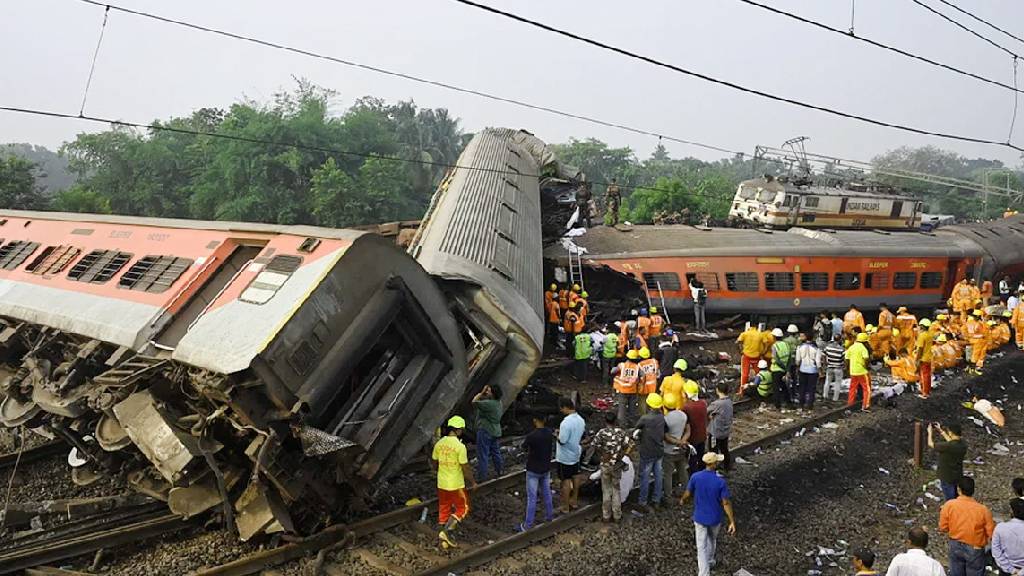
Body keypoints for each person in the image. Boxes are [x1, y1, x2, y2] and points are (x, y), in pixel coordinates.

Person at [680, 452, 737, 576]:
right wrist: (731, 521)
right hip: (715, 517)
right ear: (714, 464)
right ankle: (710, 560)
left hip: (700, 517)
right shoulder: (720, 482)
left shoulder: (695, 477)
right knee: (712, 539)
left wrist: (682, 500)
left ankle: (704, 573)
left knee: (701, 546)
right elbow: (726, 503)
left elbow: (688, 493)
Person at [432, 415, 477, 549]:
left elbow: (434, 462)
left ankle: (442, 536)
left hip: (442, 483)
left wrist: (439, 470)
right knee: (463, 508)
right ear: (458, 431)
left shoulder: (439, 444)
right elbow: (465, 467)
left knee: (444, 506)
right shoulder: (459, 446)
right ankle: (446, 532)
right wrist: (473, 481)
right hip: (455, 484)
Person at [939, 477, 994, 576]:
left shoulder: (949, 505)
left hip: (955, 544)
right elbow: (991, 533)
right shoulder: (983, 510)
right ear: (973, 490)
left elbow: (943, 527)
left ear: (958, 490)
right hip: (975, 547)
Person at [590, 412, 632, 523]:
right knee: (616, 490)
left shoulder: (601, 433)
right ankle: (617, 515)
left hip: (605, 465)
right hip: (617, 466)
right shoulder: (621, 433)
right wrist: (622, 455)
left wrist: (602, 455)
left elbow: (594, 445)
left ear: (605, 421)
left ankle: (606, 515)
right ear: (615, 421)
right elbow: (630, 445)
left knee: (606, 491)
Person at [518, 415, 554, 531]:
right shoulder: (549, 433)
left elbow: (523, 447)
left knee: (532, 497)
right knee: (547, 493)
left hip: (533, 469)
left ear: (534, 420)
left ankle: (528, 525)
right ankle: (549, 516)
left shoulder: (532, 436)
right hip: (546, 468)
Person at [634, 393, 667, 511]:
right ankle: (656, 500)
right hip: (659, 451)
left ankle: (642, 501)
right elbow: (665, 431)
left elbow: (636, 429)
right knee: (658, 476)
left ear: (649, 405)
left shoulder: (645, 418)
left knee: (645, 477)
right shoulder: (662, 418)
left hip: (647, 451)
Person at [555, 397, 586, 514]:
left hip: (565, 456)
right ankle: (574, 501)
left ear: (565, 407)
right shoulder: (581, 419)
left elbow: (562, 440)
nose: (561, 411)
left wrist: (557, 435)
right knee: (576, 476)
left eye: (561, 408)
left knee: (566, 480)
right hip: (576, 453)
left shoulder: (565, 422)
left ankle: (565, 506)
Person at [662, 392, 691, 499]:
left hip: (668, 451)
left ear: (664, 405)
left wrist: (678, 442)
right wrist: (683, 441)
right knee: (682, 470)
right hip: (681, 450)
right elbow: (688, 431)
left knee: (668, 474)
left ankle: (668, 496)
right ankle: (687, 491)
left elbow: (666, 437)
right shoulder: (683, 415)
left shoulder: (665, 419)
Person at [472, 385, 504, 480]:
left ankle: (482, 476)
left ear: (493, 394)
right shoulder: (498, 403)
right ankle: (500, 470)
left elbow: (474, 402)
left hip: (485, 431)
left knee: (483, 454)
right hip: (495, 431)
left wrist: (481, 393)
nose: (487, 392)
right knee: (495, 452)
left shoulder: (488, 404)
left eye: (489, 391)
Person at [929, 422, 967, 501]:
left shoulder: (947, 446)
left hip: (946, 476)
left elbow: (931, 444)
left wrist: (930, 433)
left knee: (950, 499)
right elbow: (951, 441)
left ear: (951, 433)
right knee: (957, 496)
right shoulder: (963, 444)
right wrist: (941, 431)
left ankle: (952, 511)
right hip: (957, 475)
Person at [707, 381, 734, 472]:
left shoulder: (717, 403)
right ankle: (727, 466)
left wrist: (710, 417)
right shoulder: (729, 401)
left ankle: (713, 468)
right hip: (725, 431)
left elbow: (706, 411)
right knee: (724, 449)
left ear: (718, 391)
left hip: (715, 432)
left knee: (713, 450)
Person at [993, 498, 1024, 576]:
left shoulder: (1000, 527)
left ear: (1012, 512)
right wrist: (1020, 573)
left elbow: (996, 551)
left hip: (1006, 570)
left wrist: (1011, 569)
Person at [682, 381, 708, 474]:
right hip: (702, 436)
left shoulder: (686, 407)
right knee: (701, 458)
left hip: (692, 438)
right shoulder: (703, 403)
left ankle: (695, 478)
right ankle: (703, 474)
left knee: (692, 460)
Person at [611, 349, 641, 426]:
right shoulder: (637, 367)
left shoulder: (622, 365)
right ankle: (632, 423)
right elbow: (642, 376)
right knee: (632, 409)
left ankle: (622, 425)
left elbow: (612, 371)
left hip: (622, 390)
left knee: (622, 409)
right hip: (633, 390)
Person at [846, 332, 872, 412]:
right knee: (866, 389)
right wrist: (867, 366)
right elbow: (866, 358)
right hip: (862, 371)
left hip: (853, 371)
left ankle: (850, 404)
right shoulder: (863, 348)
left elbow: (847, 359)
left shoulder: (851, 347)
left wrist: (848, 369)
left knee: (852, 388)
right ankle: (865, 405)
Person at [795, 332, 820, 411]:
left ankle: (801, 404)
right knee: (811, 389)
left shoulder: (800, 347)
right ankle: (810, 405)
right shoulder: (816, 349)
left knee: (802, 387)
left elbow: (798, 360)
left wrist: (798, 366)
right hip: (813, 371)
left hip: (802, 370)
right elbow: (818, 362)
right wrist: (820, 370)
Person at [770, 327, 794, 410]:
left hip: (776, 369)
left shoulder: (774, 346)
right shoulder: (786, 344)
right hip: (785, 370)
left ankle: (777, 404)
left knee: (776, 387)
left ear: (774, 337)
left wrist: (783, 367)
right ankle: (788, 402)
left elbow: (775, 359)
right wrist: (787, 369)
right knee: (784, 386)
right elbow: (790, 358)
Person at [736, 323, 763, 391]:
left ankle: (741, 391)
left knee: (745, 374)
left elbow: (737, 342)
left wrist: (740, 351)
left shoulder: (744, 334)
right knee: (759, 373)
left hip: (747, 356)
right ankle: (759, 388)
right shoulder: (760, 334)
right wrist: (761, 352)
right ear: (757, 327)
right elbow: (764, 344)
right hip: (757, 357)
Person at [915, 319, 935, 399]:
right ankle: (927, 391)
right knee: (927, 375)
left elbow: (920, 349)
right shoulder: (929, 335)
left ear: (922, 326)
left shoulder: (922, 336)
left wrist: (917, 359)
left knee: (923, 376)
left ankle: (925, 393)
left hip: (923, 358)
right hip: (928, 357)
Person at [822, 333, 846, 402]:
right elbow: (844, 359)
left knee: (827, 381)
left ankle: (825, 396)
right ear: (840, 340)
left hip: (829, 366)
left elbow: (823, 355)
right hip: (838, 367)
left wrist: (825, 363)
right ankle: (835, 398)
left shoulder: (828, 347)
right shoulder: (841, 349)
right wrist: (844, 366)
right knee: (838, 383)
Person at [964, 309, 988, 374]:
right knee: (976, 355)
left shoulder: (969, 322)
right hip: (979, 341)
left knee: (971, 355)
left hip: (972, 340)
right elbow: (984, 333)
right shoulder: (980, 324)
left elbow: (964, 330)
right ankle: (974, 368)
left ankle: (971, 368)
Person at [637, 347, 660, 414]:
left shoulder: (640, 364)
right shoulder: (654, 361)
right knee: (653, 401)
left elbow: (640, 377)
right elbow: (658, 374)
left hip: (644, 385)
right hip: (654, 384)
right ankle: (653, 414)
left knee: (642, 401)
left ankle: (644, 415)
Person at [544, 284, 561, 349]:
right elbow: (557, 311)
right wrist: (559, 317)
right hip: (555, 319)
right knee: (555, 332)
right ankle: (554, 342)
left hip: (550, 315)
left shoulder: (549, 297)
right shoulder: (556, 304)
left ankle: (551, 339)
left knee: (551, 330)